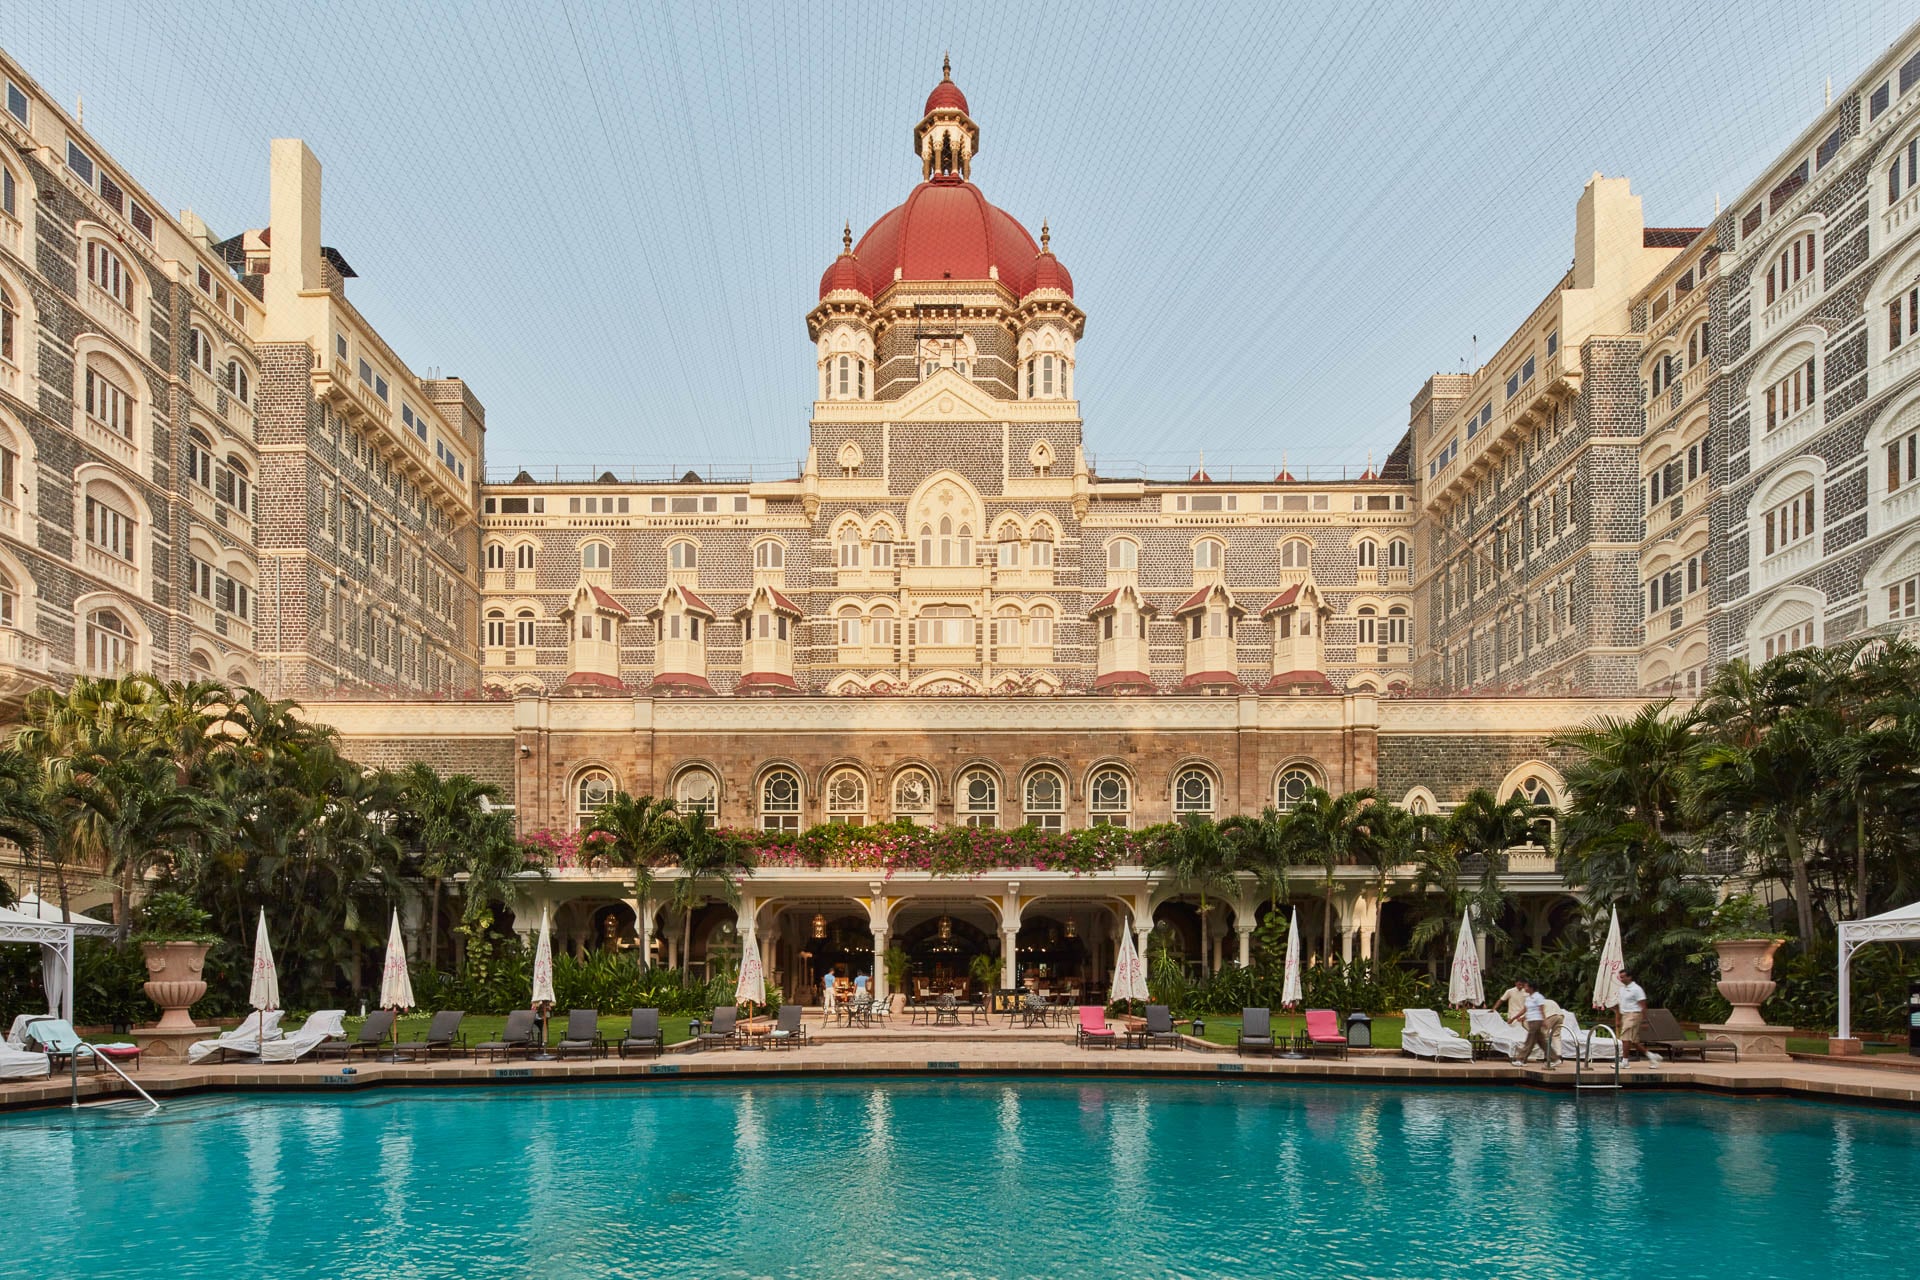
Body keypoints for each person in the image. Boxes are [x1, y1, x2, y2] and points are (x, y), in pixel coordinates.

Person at [1510, 981, 1559, 1068]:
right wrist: (1515, 1017)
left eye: (1526, 986)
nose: (1525, 988)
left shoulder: (1538, 997)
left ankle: (1521, 1059)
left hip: (1536, 1021)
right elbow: (1525, 1010)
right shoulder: (1528, 998)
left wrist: (1544, 1020)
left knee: (1530, 1041)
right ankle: (1554, 1058)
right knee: (1542, 1042)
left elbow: (1541, 1009)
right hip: (1531, 1021)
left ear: (1531, 988)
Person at [1617, 970, 1648, 1056]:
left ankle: (1625, 1061)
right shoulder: (1622, 989)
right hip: (1625, 1015)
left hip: (1634, 1014)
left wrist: (1645, 1021)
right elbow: (1620, 1005)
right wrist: (1618, 1019)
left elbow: (1643, 1005)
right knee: (1634, 1041)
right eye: (1620, 977)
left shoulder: (1636, 989)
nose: (1621, 979)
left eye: (1623, 977)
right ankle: (1652, 1056)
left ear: (1629, 977)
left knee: (1625, 1038)